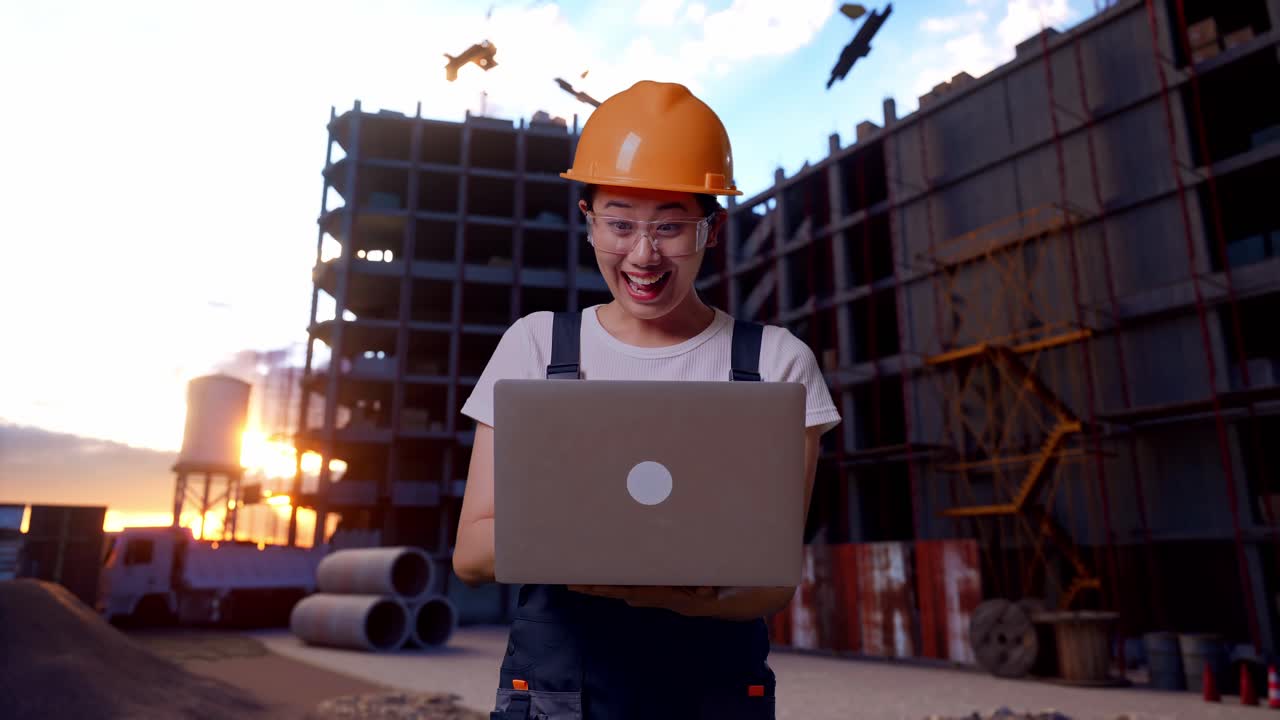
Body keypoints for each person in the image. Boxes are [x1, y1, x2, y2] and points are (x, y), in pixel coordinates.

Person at [453, 80, 841, 720]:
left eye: (670, 227)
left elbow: (771, 580)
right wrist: (623, 560)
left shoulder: (776, 362)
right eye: (621, 224)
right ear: (588, 223)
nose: (643, 254)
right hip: (560, 698)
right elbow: (471, 553)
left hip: (713, 696)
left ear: (710, 230)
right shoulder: (537, 347)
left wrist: (671, 596)